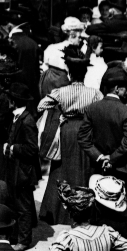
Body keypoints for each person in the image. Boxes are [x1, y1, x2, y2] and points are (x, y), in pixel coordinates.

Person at [37, 52, 99, 226]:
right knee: (84, 168)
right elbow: (101, 108)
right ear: (85, 74)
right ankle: (84, 209)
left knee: (61, 168)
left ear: (70, 74)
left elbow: (41, 105)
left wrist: (60, 111)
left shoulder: (61, 91)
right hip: (86, 130)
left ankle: (58, 212)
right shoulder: (94, 93)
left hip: (66, 130)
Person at [78, 65, 127, 231]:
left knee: (102, 198)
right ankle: (125, 235)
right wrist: (112, 158)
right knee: (126, 200)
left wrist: (100, 157)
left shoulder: (92, 108)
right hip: (124, 166)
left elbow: (83, 138)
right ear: (117, 89)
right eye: (126, 89)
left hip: (100, 166)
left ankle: (103, 233)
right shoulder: (126, 112)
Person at [0, 82, 41, 250]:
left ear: (14, 101)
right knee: (16, 204)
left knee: (23, 207)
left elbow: (32, 149)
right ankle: (16, 236)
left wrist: (12, 148)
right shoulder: (17, 117)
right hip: (15, 170)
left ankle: (24, 240)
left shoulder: (27, 121)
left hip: (23, 172)